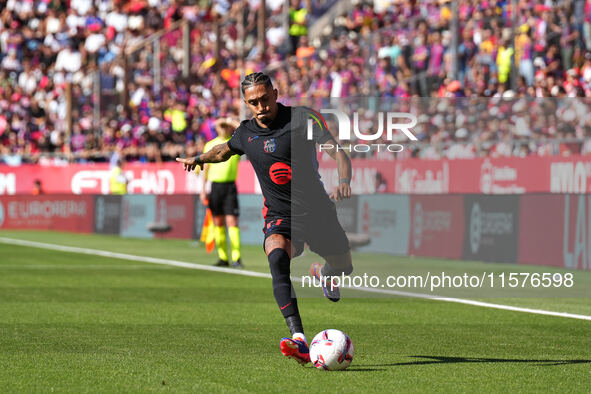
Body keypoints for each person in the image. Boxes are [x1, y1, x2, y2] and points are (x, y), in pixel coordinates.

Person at [177, 72, 353, 366]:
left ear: (275, 92)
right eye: (253, 102)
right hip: (280, 214)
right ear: (246, 103)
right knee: (276, 259)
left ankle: (327, 273)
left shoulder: (302, 119)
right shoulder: (246, 133)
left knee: (344, 266)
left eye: (264, 99)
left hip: (318, 211)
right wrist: (199, 159)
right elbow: (223, 151)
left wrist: (344, 179)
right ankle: (299, 339)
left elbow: (337, 152)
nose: (260, 107)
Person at [201, 117, 244, 268]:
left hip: (230, 187)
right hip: (215, 187)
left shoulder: (234, 143)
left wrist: (231, 121)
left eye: (227, 126)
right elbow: (205, 169)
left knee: (232, 222)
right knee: (218, 222)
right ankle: (223, 257)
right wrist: (202, 190)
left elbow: (244, 130)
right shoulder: (210, 144)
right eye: (222, 126)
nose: (224, 128)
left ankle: (236, 257)